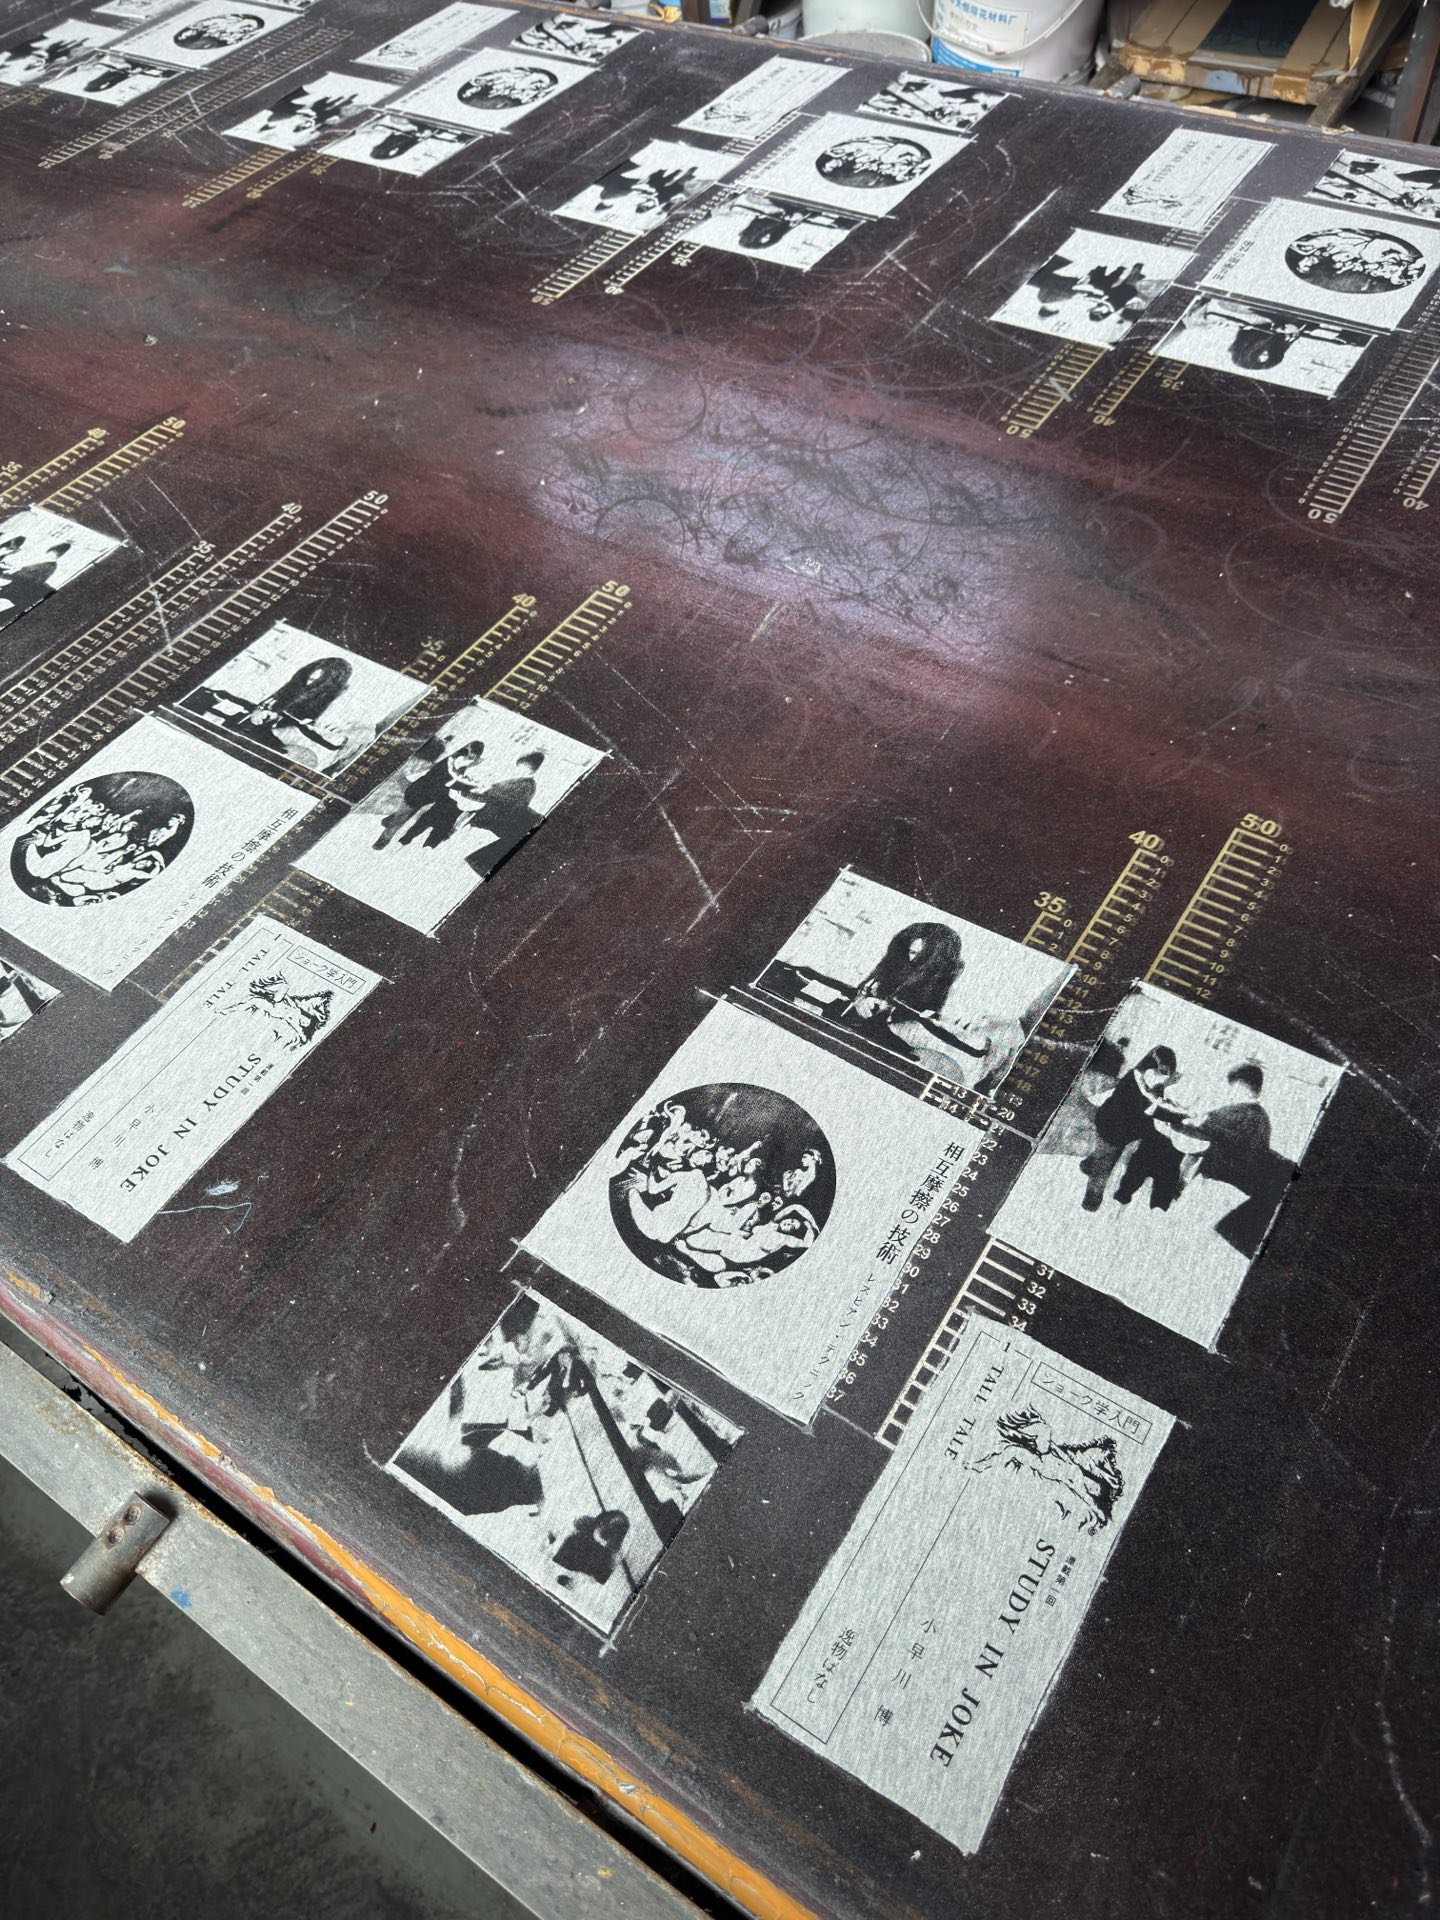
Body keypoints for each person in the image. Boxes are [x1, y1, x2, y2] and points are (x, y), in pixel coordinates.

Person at [1190, 1062, 1293, 1256]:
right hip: (1239, 1184)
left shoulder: (1248, 1114)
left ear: (1243, 1087)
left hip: (1232, 1186)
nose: (1230, 1094)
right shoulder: (1254, 1114)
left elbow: (1211, 1128)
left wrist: (1193, 1122)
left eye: (1234, 1088)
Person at [1079, 1045, 1187, 1212]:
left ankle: (1091, 1163)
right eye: (1162, 1071)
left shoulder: (1141, 1076)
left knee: (1107, 1154)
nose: (1163, 1076)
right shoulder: (1143, 1084)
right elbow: (1154, 1105)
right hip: (1114, 1128)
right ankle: (1093, 1195)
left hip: (1126, 1126)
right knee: (1105, 1164)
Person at [215, 655, 352, 763]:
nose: (308, 682)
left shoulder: (319, 706)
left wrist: (274, 718)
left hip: (257, 741)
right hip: (238, 728)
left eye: (316, 681)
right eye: (309, 676)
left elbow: (304, 729)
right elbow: (261, 704)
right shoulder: (292, 685)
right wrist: (260, 710)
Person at [463, 750, 545, 872]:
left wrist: (466, 792)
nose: (517, 770)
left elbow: (491, 795)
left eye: (520, 767)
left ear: (528, 769)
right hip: (501, 823)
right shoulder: (529, 784)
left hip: (497, 823)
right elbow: (494, 792)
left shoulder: (522, 784)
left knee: (477, 860)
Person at [0, 537, 73, 624]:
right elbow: (24, 572)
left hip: (22, 589)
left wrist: (12, 574)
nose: (48, 556)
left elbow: (32, 579)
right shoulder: (45, 562)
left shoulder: (50, 566)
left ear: (57, 556)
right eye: (49, 553)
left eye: (52, 555)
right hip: (17, 585)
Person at [457, 65, 557, 113]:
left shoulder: (482, 80)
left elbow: (535, 76)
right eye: (469, 94)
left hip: (515, 79)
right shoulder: (489, 93)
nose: (471, 92)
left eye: (467, 91)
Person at [173, 13, 268, 50]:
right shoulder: (219, 24)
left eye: (247, 30)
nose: (243, 30)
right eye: (246, 27)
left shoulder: (219, 38)